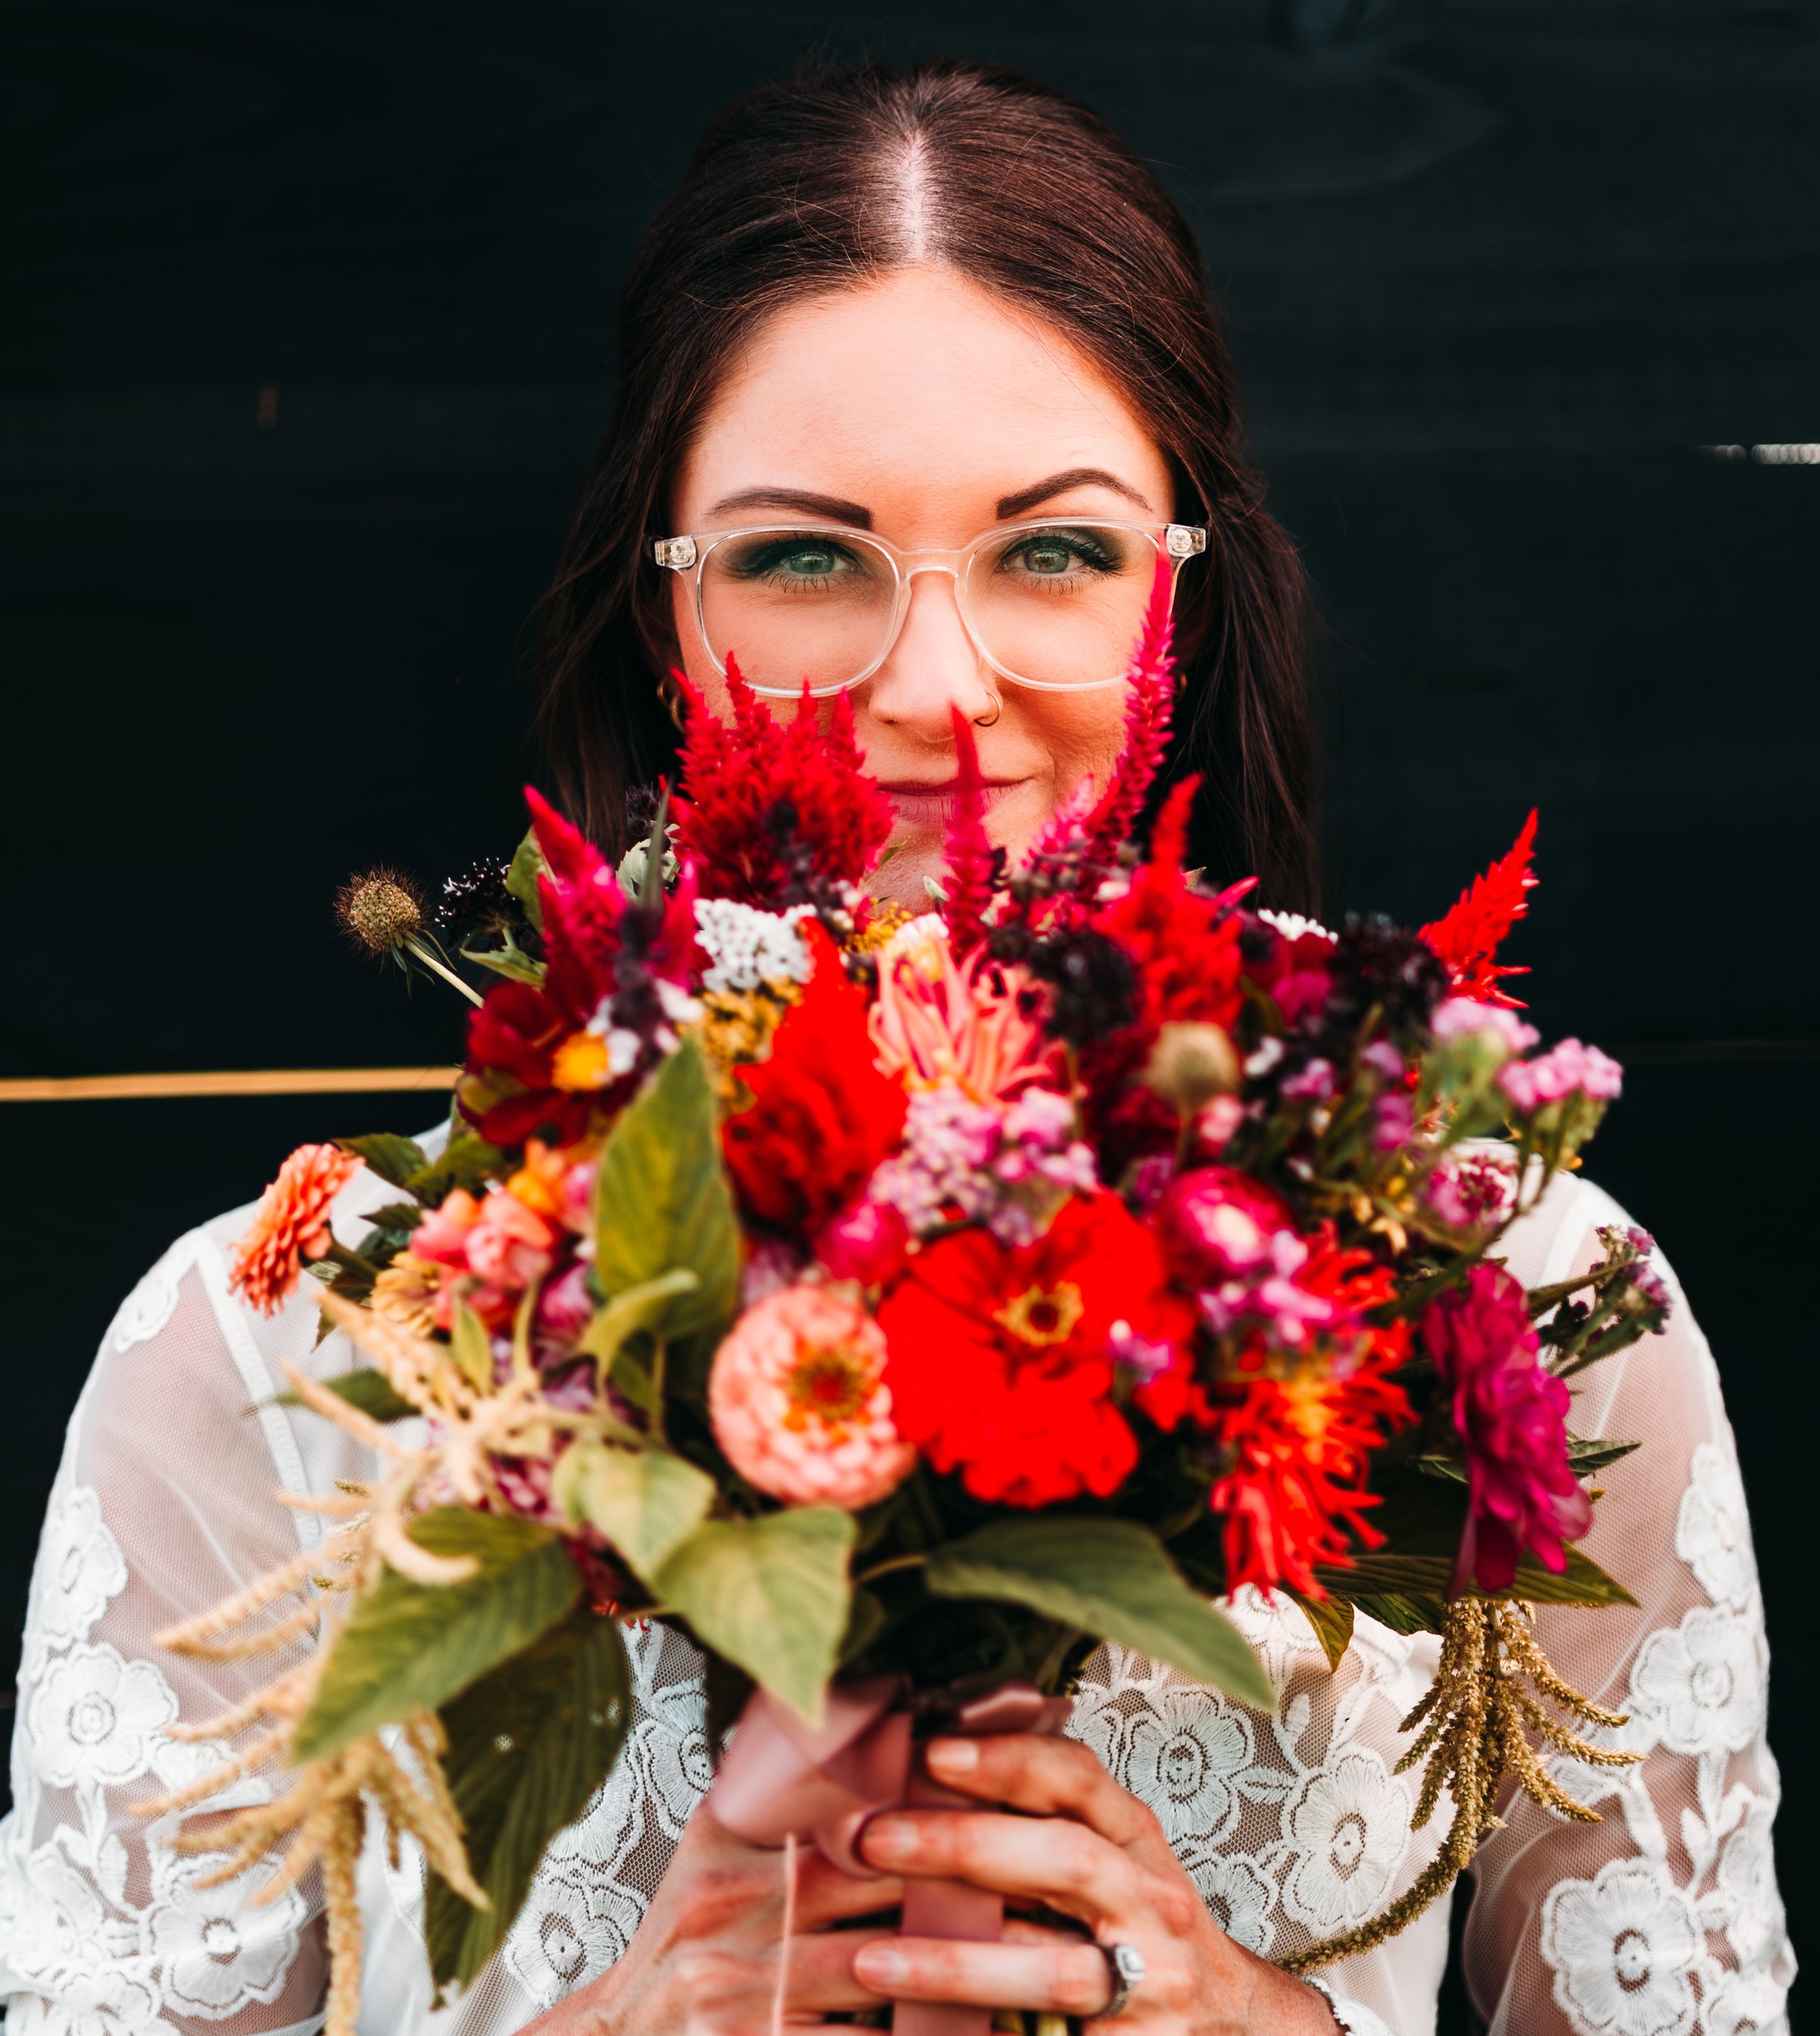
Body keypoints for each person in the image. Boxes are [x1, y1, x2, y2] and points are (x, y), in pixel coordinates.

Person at [0, 60, 1790, 2036]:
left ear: (1180, 592)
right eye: (798, 558)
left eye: (1053, 552)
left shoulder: (1521, 1302)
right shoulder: (300, 1365)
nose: (940, 696)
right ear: (656, 613)